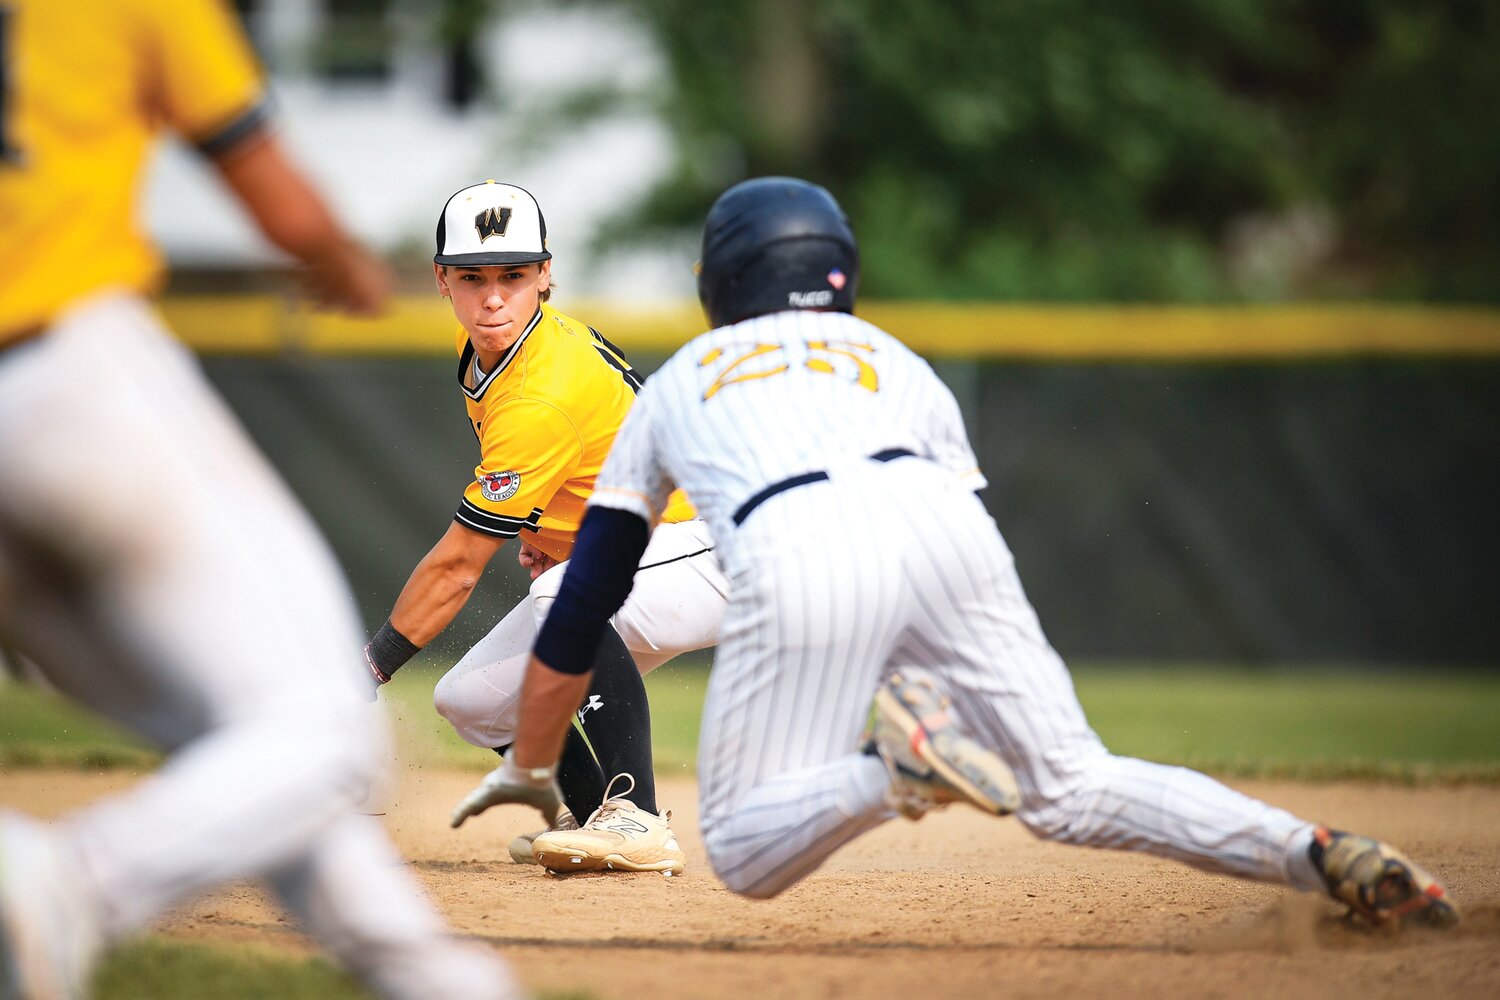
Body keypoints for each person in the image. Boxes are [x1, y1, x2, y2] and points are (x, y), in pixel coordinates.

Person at [450, 176, 1459, 931]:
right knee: (1072, 782)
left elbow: (585, 595)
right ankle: (1313, 851)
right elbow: (946, 525)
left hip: (797, 547)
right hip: (952, 541)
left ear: (719, 279)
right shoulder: (897, 359)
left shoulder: (681, 380)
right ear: (839, 274)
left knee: (751, 850)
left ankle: (895, 767)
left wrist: (534, 757)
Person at [0, 2, 518, 997]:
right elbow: (285, 209)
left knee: (254, 747)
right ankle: (67, 879)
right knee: (329, 730)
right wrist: (350, 267)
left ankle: (435, 979)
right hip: (66, 373)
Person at [362, 180, 725, 875]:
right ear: (442, 280)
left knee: (564, 595)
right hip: (653, 543)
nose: (493, 296)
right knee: (468, 700)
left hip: (708, 544)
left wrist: (370, 666)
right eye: (472, 277)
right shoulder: (504, 353)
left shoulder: (538, 388)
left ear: (546, 274)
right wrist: (552, 530)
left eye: (514, 275)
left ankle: (634, 817)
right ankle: (590, 822)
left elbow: (458, 567)